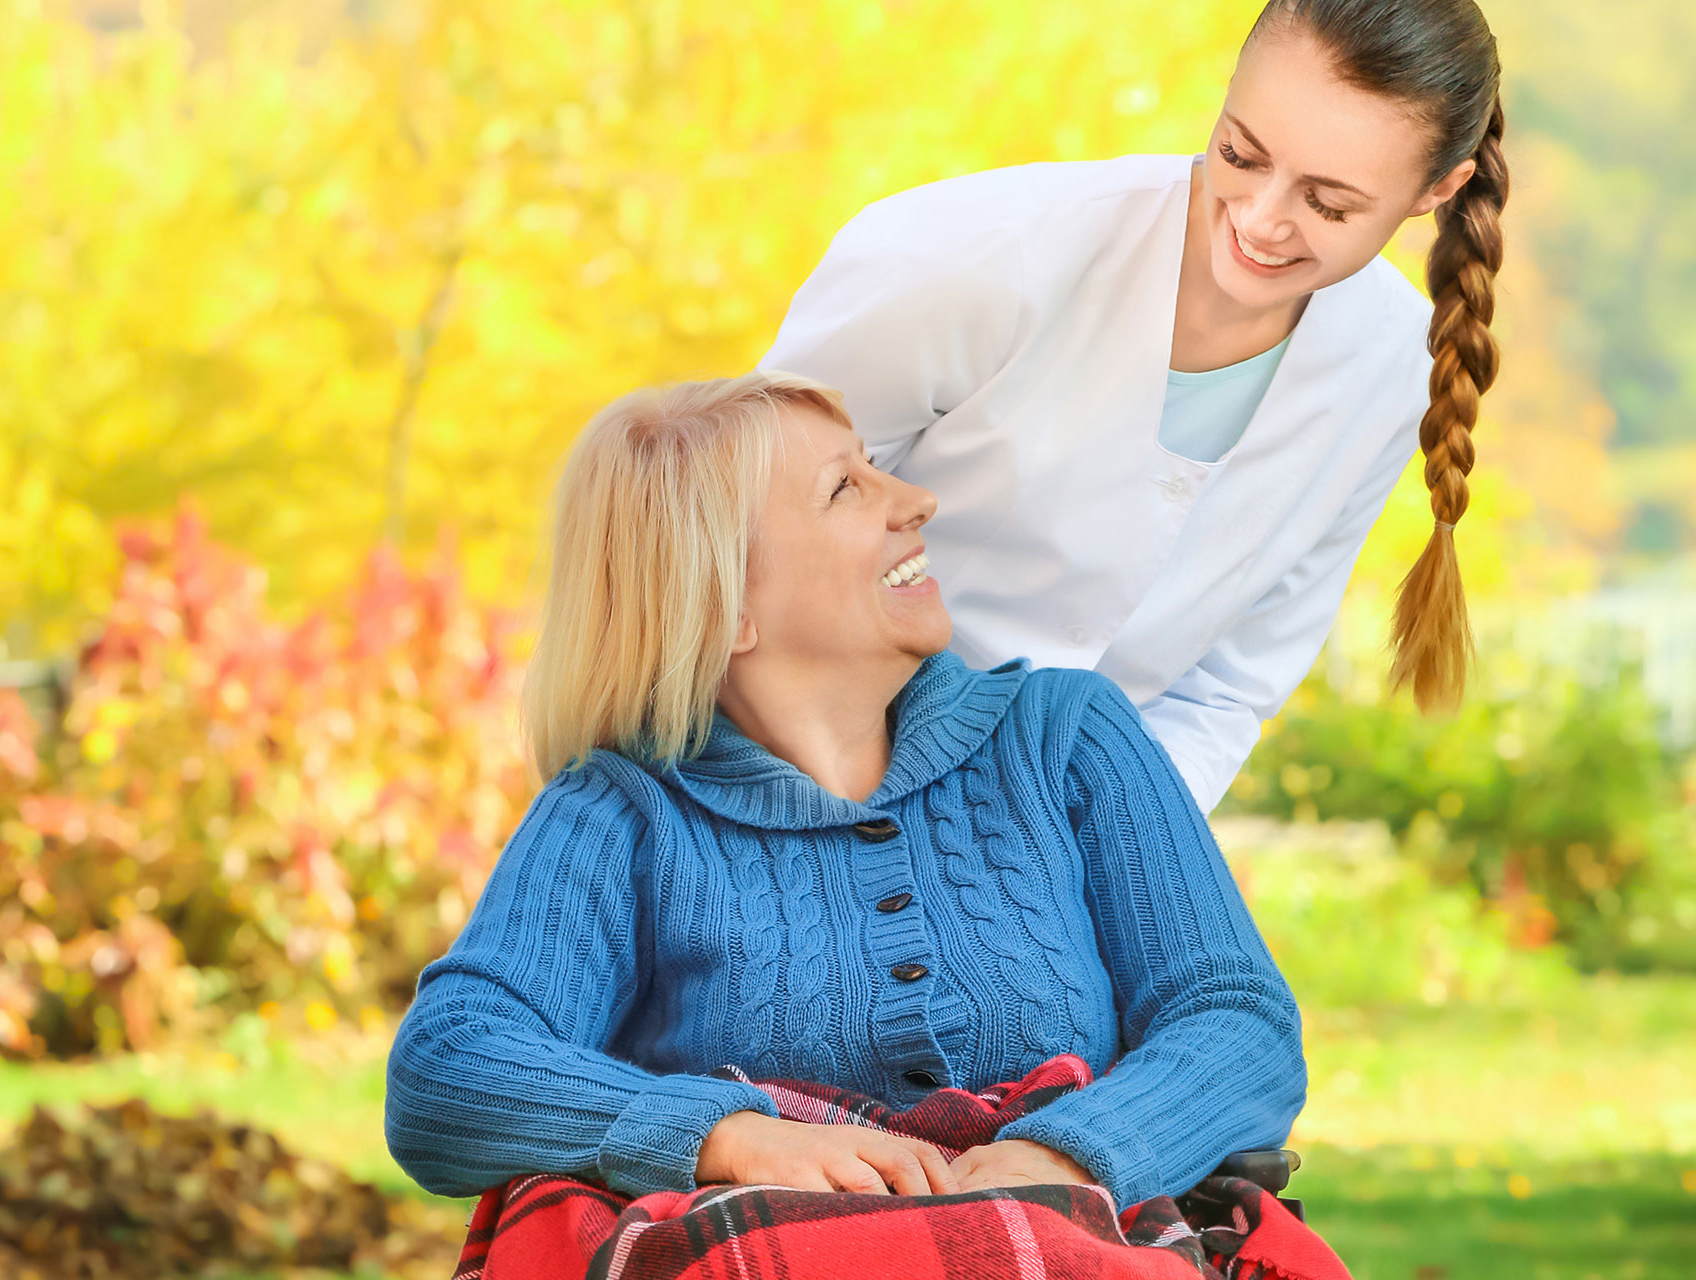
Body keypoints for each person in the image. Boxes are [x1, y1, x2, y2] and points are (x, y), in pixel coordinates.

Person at [383, 373, 1305, 1210]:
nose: (916, 501)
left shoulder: (1062, 736)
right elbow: (447, 1067)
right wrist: (730, 1139)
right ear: (725, 608)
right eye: (845, 488)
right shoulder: (620, 815)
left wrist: (1071, 1156)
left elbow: (1237, 1020)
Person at [759, 0, 1508, 813]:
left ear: (1438, 189)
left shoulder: (1395, 367)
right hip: (811, 788)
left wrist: (1118, 854)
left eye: (1327, 205)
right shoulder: (968, 258)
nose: (1260, 221)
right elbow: (743, 542)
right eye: (1240, 153)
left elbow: (1225, 690)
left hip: (1076, 845)